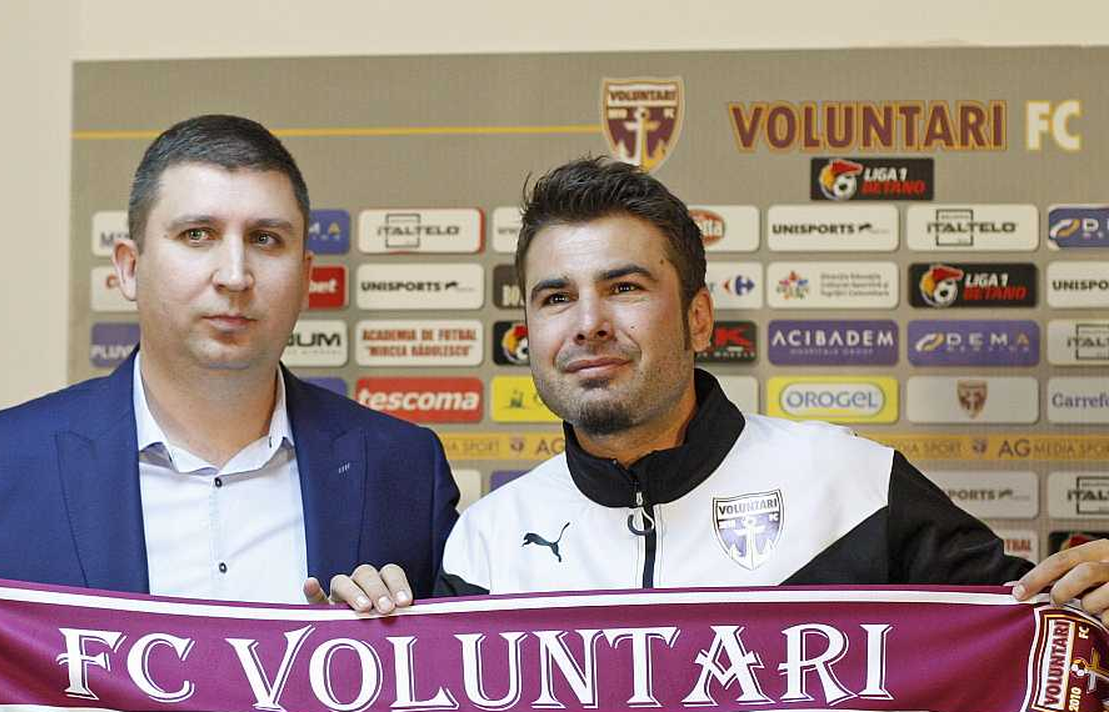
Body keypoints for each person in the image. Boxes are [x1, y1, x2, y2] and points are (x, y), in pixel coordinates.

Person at [0, 115, 458, 641]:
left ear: (305, 277)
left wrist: (393, 635)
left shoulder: (405, 468)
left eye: (265, 239)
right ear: (129, 268)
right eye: (197, 235)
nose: (235, 274)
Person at [432, 156, 1109, 617]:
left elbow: (1043, 644)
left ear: (699, 318)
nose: (588, 324)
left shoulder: (853, 486)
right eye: (556, 297)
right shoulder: (486, 546)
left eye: (625, 287)